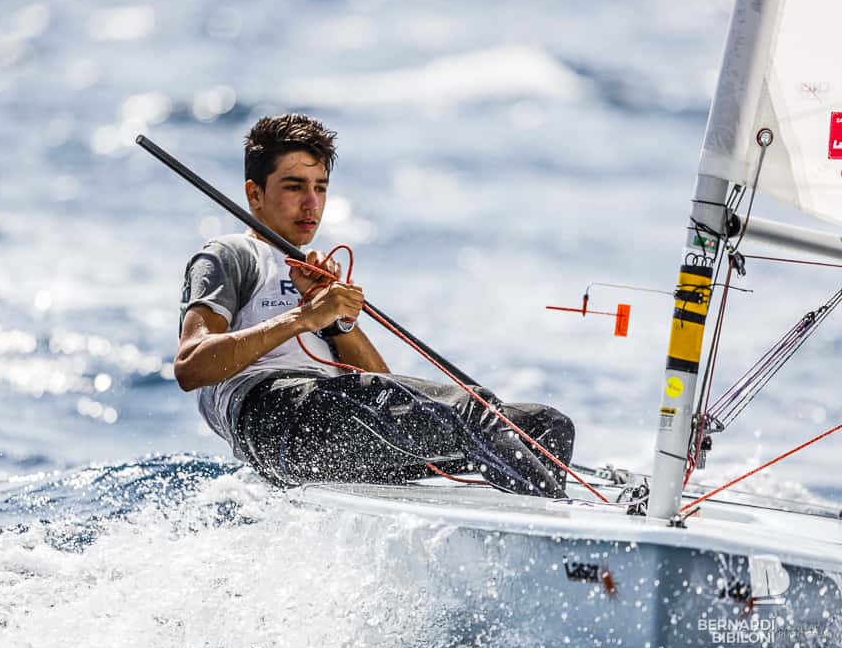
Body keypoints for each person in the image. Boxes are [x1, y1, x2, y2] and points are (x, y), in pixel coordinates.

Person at [175, 113, 574, 496]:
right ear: (254, 193)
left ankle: (533, 539)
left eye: (321, 187)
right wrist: (303, 317)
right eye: (295, 187)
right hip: (275, 418)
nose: (312, 203)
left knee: (544, 426)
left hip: (337, 426)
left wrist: (335, 322)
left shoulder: (313, 274)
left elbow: (381, 383)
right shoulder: (230, 255)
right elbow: (192, 367)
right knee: (472, 412)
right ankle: (562, 530)